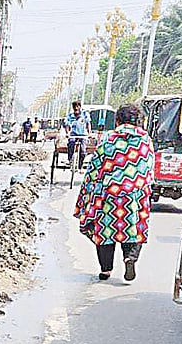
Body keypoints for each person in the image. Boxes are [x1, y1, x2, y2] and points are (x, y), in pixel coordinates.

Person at [75, 103, 155, 282]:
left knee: (104, 231)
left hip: (109, 194)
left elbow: (94, 168)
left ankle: (106, 270)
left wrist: (86, 196)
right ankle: (130, 258)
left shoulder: (108, 138)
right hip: (136, 195)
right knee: (134, 229)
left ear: (117, 120)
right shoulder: (145, 140)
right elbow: (149, 169)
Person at [63, 100, 92, 167]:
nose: (76, 108)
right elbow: (67, 125)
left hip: (83, 135)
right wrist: (67, 133)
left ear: (79, 107)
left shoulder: (85, 114)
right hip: (73, 135)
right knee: (71, 144)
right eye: (74, 107)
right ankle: (70, 160)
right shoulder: (70, 116)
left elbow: (88, 124)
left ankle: (80, 165)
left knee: (83, 151)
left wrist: (89, 133)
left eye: (77, 106)